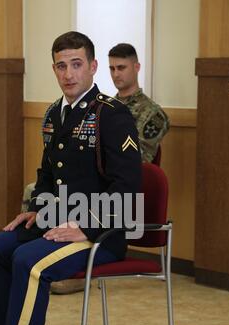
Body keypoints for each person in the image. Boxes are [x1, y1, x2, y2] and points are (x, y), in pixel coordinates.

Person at [0, 31, 141, 325]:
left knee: (28, 260)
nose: (68, 74)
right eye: (61, 66)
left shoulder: (111, 115)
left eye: (77, 65)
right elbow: (48, 175)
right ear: (54, 69)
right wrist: (35, 209)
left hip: (101, 233)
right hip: (57, 222)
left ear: (92, 67)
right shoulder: (54, 114)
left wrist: (87, 229)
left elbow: (128, 188)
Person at [50, 42, 170, 295]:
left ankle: (74, 269)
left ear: (136, 68)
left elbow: (136, 165)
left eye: (122, 67)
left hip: (124, 198)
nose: (116, 74)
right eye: (112, 68)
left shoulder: (151, 114)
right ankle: (54, 252)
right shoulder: (98, 107)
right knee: (43, 192)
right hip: (97, 186)